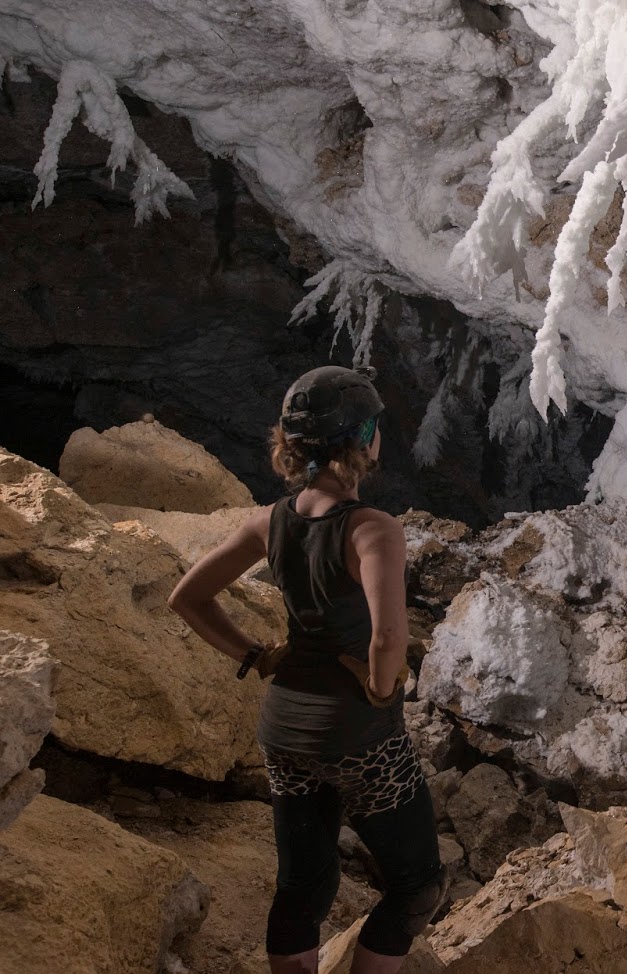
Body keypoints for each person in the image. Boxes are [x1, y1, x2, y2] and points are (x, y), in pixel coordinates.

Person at [167, 365, 442, 974]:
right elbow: (389, 635)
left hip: (285, 732)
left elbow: (187, 597)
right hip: (358, 739)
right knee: (417, 884)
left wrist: (254, 654)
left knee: (302, 888)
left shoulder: (269, 521)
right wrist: (378, 686)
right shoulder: (373, 530)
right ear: (363, 436)